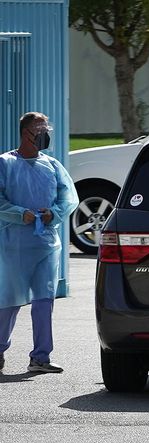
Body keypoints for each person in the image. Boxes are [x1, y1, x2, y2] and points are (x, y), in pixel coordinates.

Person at [0, 112, 76, 374]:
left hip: (45, 244)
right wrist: (20, 213)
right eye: (40, 130)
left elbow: (68, 199)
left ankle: (41, 357)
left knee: (44, 300)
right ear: (26, 133)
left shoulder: (52, 165)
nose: (45, 134)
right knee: (8, 300)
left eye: (47, 130)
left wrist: (53, 213)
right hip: (13, 244)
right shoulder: (5, 163)